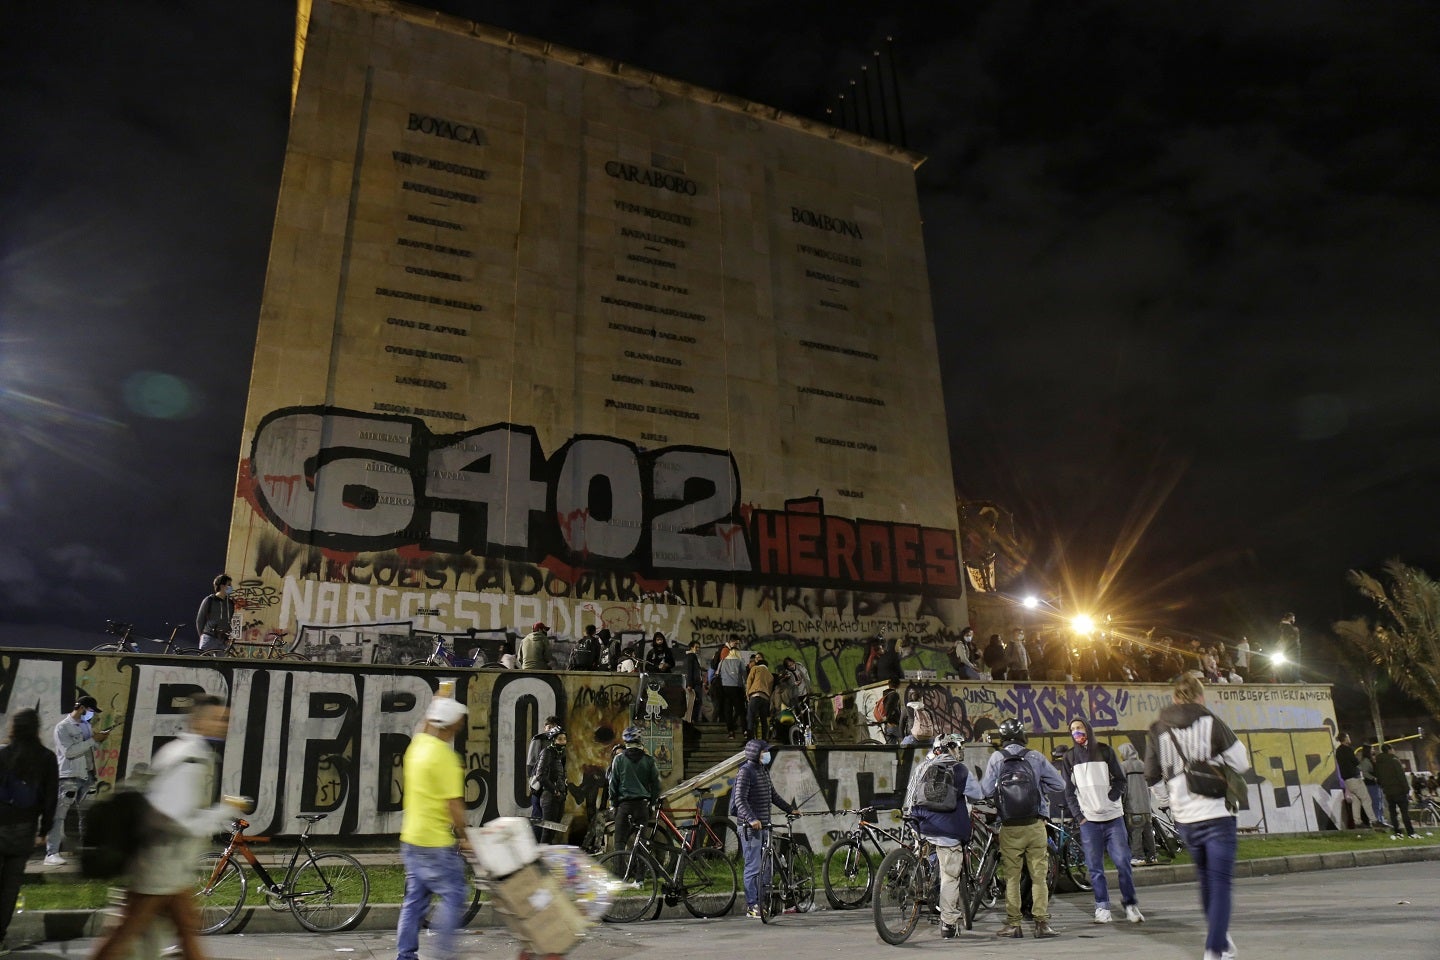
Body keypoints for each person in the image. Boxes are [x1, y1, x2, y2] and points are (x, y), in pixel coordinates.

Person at [90, 694, 241, 960]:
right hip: (160, 867)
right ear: (197, 721)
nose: (223, 724)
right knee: (126, 935)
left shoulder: (181, 751)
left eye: (225, 719)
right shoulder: (190, 759)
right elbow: (172, 817)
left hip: (168, 867)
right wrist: (224, 811)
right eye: (216, 719)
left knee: (182, 931)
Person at [1145, 676, 1250, 960]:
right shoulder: (1212, 722)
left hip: (1185, 817)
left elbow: (1152, 775)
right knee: (1220, 882)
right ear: (1200, 698)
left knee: (1205, 880)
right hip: (1216, 813)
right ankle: (1214, 949)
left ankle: (1222, 940)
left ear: (1175, 699)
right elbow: (1242, 762)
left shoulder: (1158, 729)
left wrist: (1170, 804)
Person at [394, 695, 470, 960]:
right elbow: (454, 807)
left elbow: (421, 727)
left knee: (415, 900)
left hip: (411, 839)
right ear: (450, 727)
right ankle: (443, 953)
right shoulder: (446, 758)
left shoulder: (417, 746)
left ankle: (405, 955)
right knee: (455, 894)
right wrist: (464, 836)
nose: (458, 730)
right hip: (435, 843)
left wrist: (434, 707)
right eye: (457, 726)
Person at [979, 718, 1065, 939]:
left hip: (1010, 826)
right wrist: (1039, 788)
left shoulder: (997, 758)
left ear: (1003, 737)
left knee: (1013, 877)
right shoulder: (1035, 756)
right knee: (1038, 876)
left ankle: (1014, 925)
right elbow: (1060, 785)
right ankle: (1041, 924)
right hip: (1035, 825)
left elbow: (985, 791)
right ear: (1022, 736)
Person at [1061, 718, 1143, 923]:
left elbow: (1120, 780)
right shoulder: (1069, 758)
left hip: (1113, 819)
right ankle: (1102, 907)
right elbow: (1069, 792)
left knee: (1123, 862)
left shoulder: (1106, 751)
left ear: (1087, 729)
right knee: (1094, 867)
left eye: (1079, 728)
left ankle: (1131, 905)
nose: (1076, 732)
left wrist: (1111, 797)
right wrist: (1079, 817)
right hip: (1089, 822)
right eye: (1072, 730)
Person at [906, 733, 985, 939]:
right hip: (948, 831)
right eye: (959, 747)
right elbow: (977, 795)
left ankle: (920, 878)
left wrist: (911, 819)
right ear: (952, 748)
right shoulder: (961, 770)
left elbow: (911, 794)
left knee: (924, 849)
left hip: (921, 825)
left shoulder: (923, 767)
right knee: (950, 876)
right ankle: (948, 925)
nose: (960, 751)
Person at [1, 709, 57, 951]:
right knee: (10, 886)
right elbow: (50, 798)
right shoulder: (46, 758)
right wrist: (44, 830)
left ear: (14, 728)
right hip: (24, 829)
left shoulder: (3, 755)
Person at [730, 739, 795, 918]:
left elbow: (772, 795)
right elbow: (739, 800)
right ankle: (753, 906)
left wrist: (790, 809)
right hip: (750, 828)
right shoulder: (745, 772)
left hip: (765, 825)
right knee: (753, 867)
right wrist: (751, 819)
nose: (767, 754)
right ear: (755, 753)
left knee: (767, 867)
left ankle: (764, 902)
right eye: (764, 751)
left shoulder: (762, 771)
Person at [46, 695, 113, 865]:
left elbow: (92, 747)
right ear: (82, 708)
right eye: (90, 711)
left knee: (86, 815)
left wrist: (100, 739)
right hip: (69, 776)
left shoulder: (86, 726)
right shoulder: (63, 727)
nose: (92, 715)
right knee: (59, 816)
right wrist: (92, 740)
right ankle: (51, 853)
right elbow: (69, 752)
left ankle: (85, 850)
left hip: (87, 775)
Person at [608, 726, 660, 851]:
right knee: (641, 843)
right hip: (642, 807)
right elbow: (656, 785)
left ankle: (620, 870)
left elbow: (613, 783)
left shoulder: (618, 760)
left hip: (624, 806)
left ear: (626, 742)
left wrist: (613, 805)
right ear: (640, 742)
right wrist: (652, 804)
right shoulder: (649, 760)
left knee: (620, 842)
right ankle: (639, 870)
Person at [1118, 741, 1157, 865]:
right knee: (1148, 833)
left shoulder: (1123, 766)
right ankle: (1152, 856)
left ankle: (1138, 857)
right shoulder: (1142, 764)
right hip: (1146, 806)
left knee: (1135, 833)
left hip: (1132, 806)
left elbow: (1121, 787)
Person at [1334, 732, 1379, 829]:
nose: (1349, 739)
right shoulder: (1348, 750)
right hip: (1354, 778)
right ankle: (1374, 820)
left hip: (1347, 780)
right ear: (1345, 739)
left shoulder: (1338, 751)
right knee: (1366, 799)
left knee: (1356, 800)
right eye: (1348, 737)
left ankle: (1357, 822)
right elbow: (1355, 762)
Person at [1374, 743, 1418, 838]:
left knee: (1393, 813)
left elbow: (1379, 778)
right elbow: (1401, 777)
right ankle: (1410, 831)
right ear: (1389, 750)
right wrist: (1407, 789)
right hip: (1399, 790)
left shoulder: (1379, 763)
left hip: (1388, 792)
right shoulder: (1394, 761)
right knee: (1404, 812)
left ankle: (1397, 831)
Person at [525, 716, 562, 828]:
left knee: (551, 818)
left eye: (553, 727)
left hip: (552, 784)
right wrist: (532, 782)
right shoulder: (539, 740)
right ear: (545, 727)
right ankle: (536, 841)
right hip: (540, 783)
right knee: (537, 815)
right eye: (549, 727)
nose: (551, 730)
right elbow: (531, 763)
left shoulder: (559, 742)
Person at [534, 728, 569, 843]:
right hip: (549, 796)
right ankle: (541, 858)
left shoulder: (559, 755)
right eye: (559, 739)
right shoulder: (547, 752)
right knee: (548, 831)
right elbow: (540, 775)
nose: (563, 742)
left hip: (559, 797)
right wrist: (555, 791)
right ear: (553, 740)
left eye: (564, 739)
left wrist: (563, 792)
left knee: (553, 832)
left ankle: (546, 858)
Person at [194, 574, 236, 653]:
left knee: (221, 664)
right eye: (229, 585)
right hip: (209, 637)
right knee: (204, 662)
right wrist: (202, 635)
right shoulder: (209, 600)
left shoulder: (230, 603)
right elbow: (200, 620)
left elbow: (229, 619)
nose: (231, 587)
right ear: (222, 586)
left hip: (223, 640)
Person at [744, 652, 775, 741]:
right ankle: (764, 739)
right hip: (765, 698)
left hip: (755, 694)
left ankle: (750, 740)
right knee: (764, 720)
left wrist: (747, 695)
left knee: (751, 717)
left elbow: (749, 681)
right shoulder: (770, 675)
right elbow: (770, 689)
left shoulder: (755, 668)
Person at [1357, 744, 1388, 830]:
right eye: (1372, 749)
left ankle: (1380, 819)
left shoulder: (1371, 759)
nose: (1373, 750)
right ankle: (1376, 821)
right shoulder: (1366, 761)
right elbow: (1365, 772)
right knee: (1375, 803)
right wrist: (1373, 778)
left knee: (1379, 803)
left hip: (1376, 784)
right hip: (1371, 785)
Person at [718, 644, 745, 739]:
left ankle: (730, 731)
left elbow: (718, 673)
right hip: (736, 687)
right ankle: (744, 730)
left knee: (728, 710)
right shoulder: (740, 661)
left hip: (725, 687)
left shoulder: (722, 661)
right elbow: (744, 675)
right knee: (740, 709)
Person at [681, 640, 704, 722]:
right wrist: (689, 684)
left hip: (696, 684)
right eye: (696, 647)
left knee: (696, 702)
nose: (698, 649)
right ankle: (693, 720)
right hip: (694, 684)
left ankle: (693, 720)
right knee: (695, 702)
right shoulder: (691, 657)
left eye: (699, 647)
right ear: (691, 647)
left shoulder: (693, 657)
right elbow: (689, 671)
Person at [877, 678, 902, 744]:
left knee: (891, 747)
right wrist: (889, 720)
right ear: (898, 685)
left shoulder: (886, 694)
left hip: (887, 725)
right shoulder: (894, 695)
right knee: (906, 740)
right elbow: (889, 708)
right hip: (892, 724)